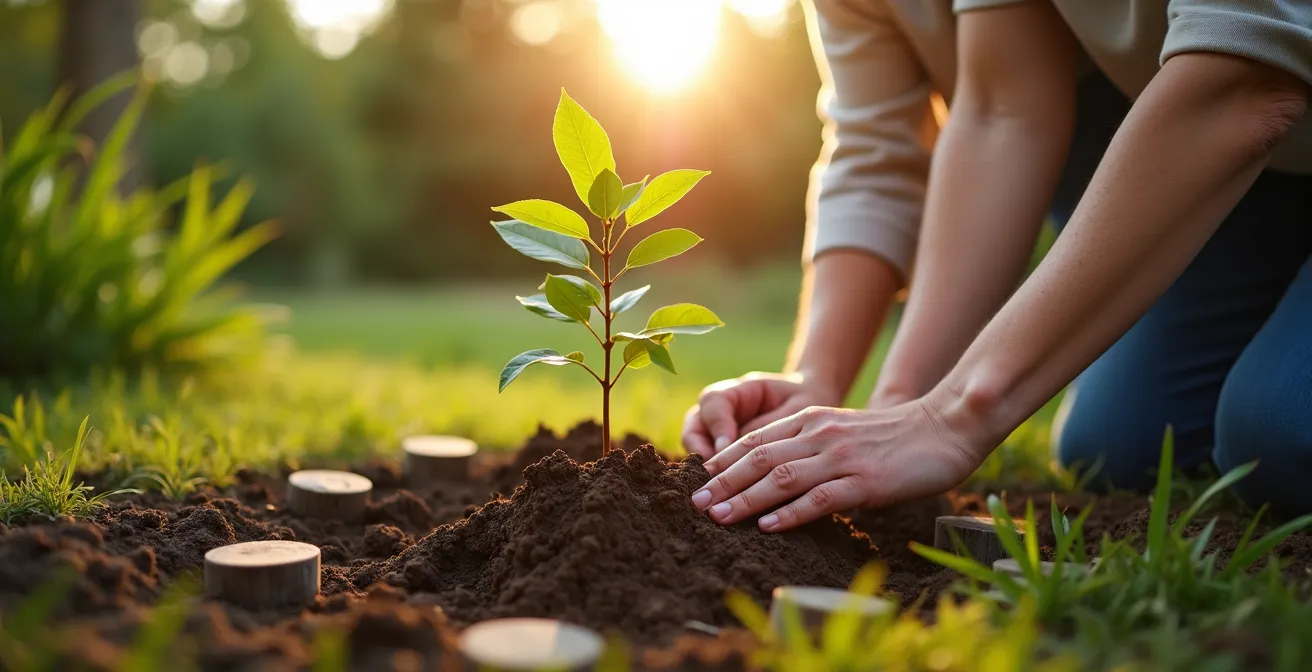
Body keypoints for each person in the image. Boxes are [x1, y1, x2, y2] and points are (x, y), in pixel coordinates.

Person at [685, 0, 1312, 530]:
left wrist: (955, 414)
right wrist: (850, 391)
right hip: (1262, 186)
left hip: (1252, 108)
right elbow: (995, 110)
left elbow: (1248, 74)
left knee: (1281, 433)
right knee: (1122, 447)